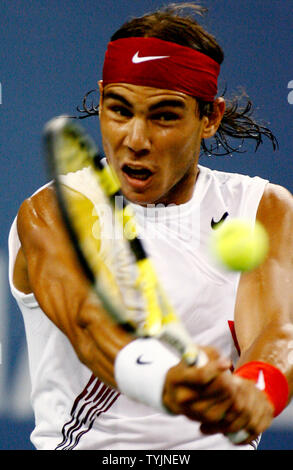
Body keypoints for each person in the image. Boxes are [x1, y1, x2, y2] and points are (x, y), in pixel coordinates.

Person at [8, 3, 293, 450]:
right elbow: (88, 325)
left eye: (163, 116)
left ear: (210, 118)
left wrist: (255, 391)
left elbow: (277, 331)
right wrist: (160, 379)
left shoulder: (264, 208)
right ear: (101, 100)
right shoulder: (55, 211)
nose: (135, 140)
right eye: (119, 110)